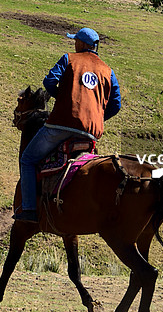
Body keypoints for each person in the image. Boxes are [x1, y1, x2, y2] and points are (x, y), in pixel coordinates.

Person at [14, 27, 121, 222]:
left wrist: (65, 100)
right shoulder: (108, 70)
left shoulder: (69, 58)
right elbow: (116, 105)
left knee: (28, 159)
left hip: (62, 124)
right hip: (91, 132)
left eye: (75, 41)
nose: (74, 44)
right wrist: (96, 117)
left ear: (81, 44)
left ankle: (29, 209)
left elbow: (49, 82)